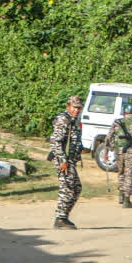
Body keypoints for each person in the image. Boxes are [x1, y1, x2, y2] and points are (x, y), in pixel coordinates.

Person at [50, 95, 85, 229]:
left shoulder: (74, 120)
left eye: (79, 108)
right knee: (67, 187)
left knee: (76, 187)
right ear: (68, 106)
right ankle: (60, 218)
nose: (77, 110)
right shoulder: (63, 119)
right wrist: (63, 160)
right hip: (62, 160)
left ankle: (63, 217)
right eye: (74, 107)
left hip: (70, 160)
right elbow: (55, 141)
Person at [105, 101, 132, 209]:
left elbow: (108, 138)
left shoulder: (116, 122)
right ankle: (127, 200)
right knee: (129, 175)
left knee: (121, 173)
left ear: (124, 111)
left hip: (118, 152)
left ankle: (121, 196)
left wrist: (106, 152)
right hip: (130, 152)